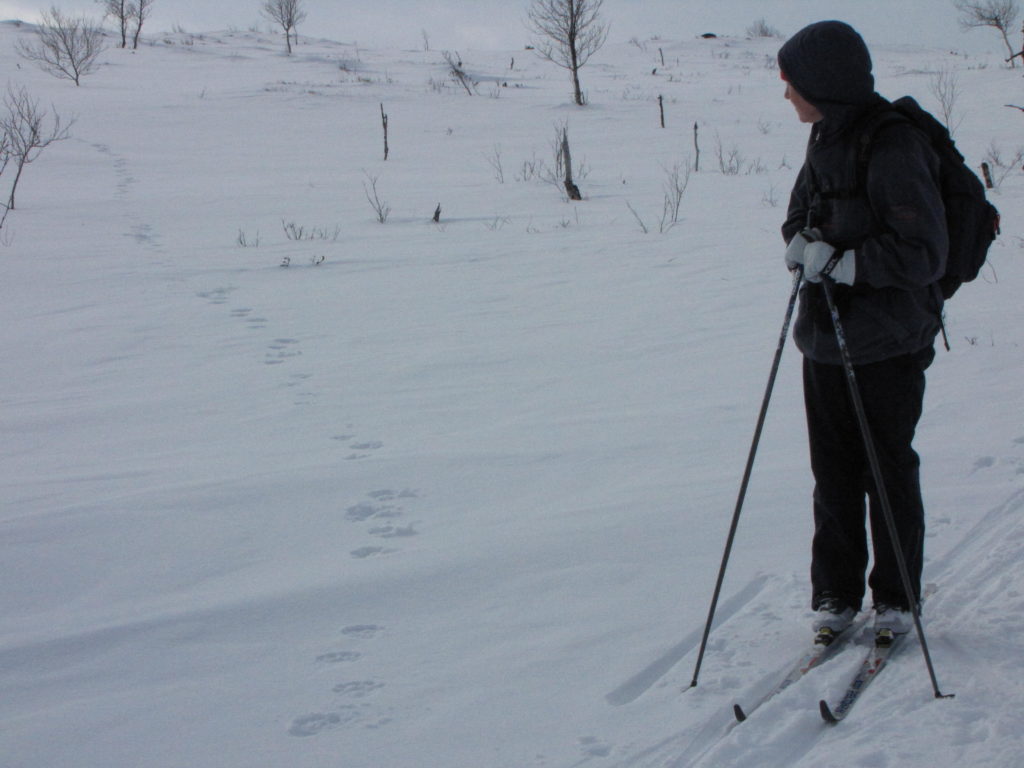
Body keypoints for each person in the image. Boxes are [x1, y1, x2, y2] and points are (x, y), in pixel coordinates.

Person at [777, 21, 948, 641]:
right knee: (834, 471)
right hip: (825, 337)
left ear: (823, 82)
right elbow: (802, 209)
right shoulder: (825, 135)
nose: (787, 94)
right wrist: (798, 241)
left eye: (792, 82)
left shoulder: (893, 145)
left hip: (890, 341)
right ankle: (835, 594)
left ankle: (897, 599)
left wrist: (849, 263)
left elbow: (924, 251)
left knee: (886, 469)